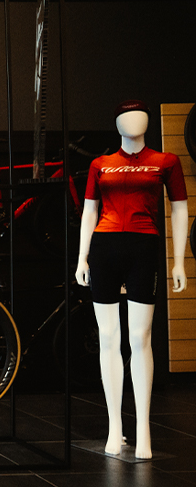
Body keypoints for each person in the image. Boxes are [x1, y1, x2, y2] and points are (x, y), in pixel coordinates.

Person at [74, 99, 188, 459]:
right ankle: (114, 427)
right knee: (109, 338)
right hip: (104, 248)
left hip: (143, 248)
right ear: (117, 124)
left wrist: (178, 262)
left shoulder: (166, 161)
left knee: (140, 338)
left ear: (148, 122)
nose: (132, 121)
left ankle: (143, 428)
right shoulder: (100, 164)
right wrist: (82, 256)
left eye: (139, 116)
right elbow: (89, 211)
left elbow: (179, 208)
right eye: (125, 117)